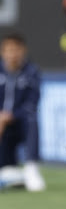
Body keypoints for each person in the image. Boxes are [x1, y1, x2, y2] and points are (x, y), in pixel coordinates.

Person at [0, 32, 45, 192]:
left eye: (16, 50)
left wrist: (9, 116)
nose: (12, 54)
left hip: (21, 123)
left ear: (23, 51)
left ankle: (31, 167)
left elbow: (32, 103)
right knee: (7, 169)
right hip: (2, 128)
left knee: (32, 119)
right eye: (8, 50)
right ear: (2, 52)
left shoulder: (31, 72)